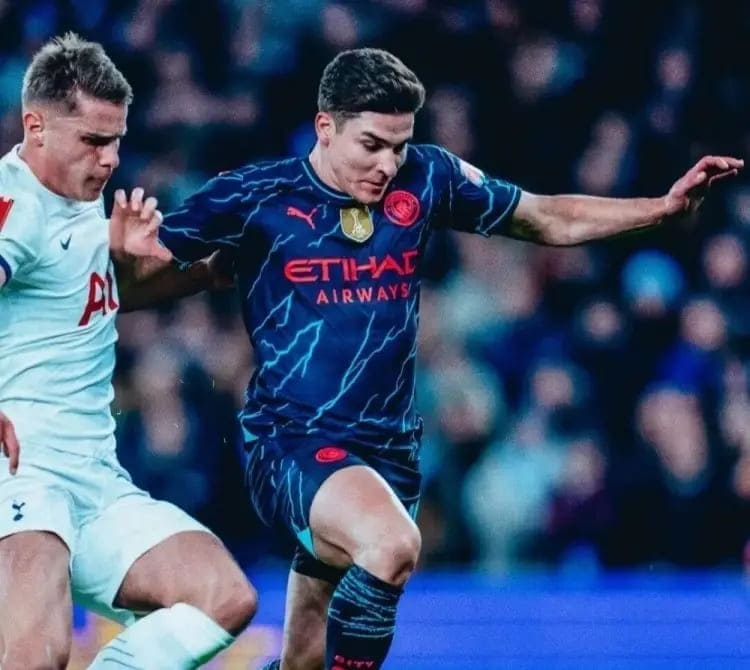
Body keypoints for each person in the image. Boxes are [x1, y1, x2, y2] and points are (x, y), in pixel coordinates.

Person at [117, 48, 742, 670]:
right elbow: (133, 286)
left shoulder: (428, 176)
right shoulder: (256, 195)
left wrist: (661, 208)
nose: (388, 164)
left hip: (389, 450)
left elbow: (546, 216)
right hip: (292, 440)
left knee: (305, 659)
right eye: (371, 145)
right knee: (391, 544)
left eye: (399, 146)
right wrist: (124, 258)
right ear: (325, 126)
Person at [0, 33, 258, 669]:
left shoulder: (79, 202)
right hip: (21, 473)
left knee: (222, 597)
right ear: (35, 127)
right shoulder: (17, 206)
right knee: (36, 657)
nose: (111, 158)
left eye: (116, 140)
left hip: (95, 480)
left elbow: (88, 297)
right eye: (93, 140)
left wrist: (179, 273)